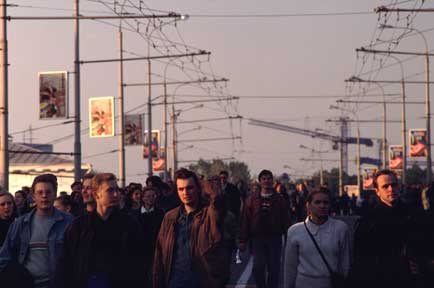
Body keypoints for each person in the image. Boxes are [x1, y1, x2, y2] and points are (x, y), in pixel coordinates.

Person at [55, 173, 146, 288]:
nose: (116, 194)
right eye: (110, 190)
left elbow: (140, 262)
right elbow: (66, 263)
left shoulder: (129, 225)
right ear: (96, 194)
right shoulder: (79, 226)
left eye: (116, 190)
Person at [153, 168, 229, 288]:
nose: (185, 193)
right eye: (181, 189)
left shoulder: (209, 214)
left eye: (190, 188)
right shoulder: (170, 217)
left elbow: (218, 203)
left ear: (198, 188)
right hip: (176, 281)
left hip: (202, 281)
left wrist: (204, 184)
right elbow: (160, 253)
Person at [0, 174, 73, 288]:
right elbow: (5, 257)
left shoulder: (69, 222)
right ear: (33, 196)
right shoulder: (20, 224)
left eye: (48, 192)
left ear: (55, 194)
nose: (44, 196)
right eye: (40, 192)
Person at [350, 169, 415, 288]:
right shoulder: (368, 220)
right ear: (377, 191)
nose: (391, 189)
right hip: (379, 278)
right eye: (385, 186)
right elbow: (361, 258)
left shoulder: (413, 213)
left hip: (410, 278)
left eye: (394, 185)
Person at [284, 188, 351, 288]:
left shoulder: (341, 228)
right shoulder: (294, 231)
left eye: (326, 202)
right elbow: (290, 267)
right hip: (303, 284)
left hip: (331, 283)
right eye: (317, 202)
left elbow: (345, 263)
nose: (322, 206)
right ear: (308, 205)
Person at [239, 169, 289, 288]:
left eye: (269, 178)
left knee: (274, 268)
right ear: (260, 181)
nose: (267, 181)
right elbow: (245, 220)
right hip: (257, 238)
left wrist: (289, 238)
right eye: (264, 179)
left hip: (275, 238)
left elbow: (286, 220)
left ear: (272, 181)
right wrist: (242, 240)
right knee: (258, 266)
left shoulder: (280, 199)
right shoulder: (251, 199)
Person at [138, 186, 164, 286]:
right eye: (148, 196)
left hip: (155, 250)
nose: (151, 198)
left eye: (153, 196)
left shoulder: (160, 213)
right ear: (143, 198)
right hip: (139, 252)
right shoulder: (134, 214)